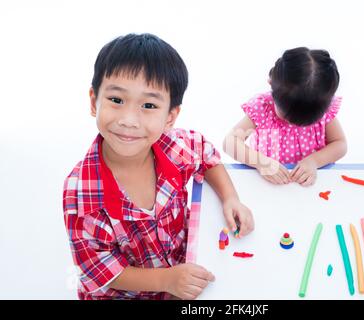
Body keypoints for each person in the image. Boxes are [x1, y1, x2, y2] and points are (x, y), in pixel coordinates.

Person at [62, 33, 254, 300]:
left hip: (182, 267)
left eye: (149, 105)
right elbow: (99, 269)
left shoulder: (175, 147)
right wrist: (167, 280)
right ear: (94, 101)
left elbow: (206, 155)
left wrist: (230, 197)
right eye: (116, 100)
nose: (129, 120)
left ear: (170, 117)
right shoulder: (81, 192)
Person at [223, 47, 347, 186]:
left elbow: (340, 144)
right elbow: (230, 143)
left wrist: (314, 161)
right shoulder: (262, 108)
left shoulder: (322, 108)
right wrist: (260, 162)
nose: (294, 124)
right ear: (271, 84)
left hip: (312, 185)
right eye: (288, 118)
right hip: (268, 184)